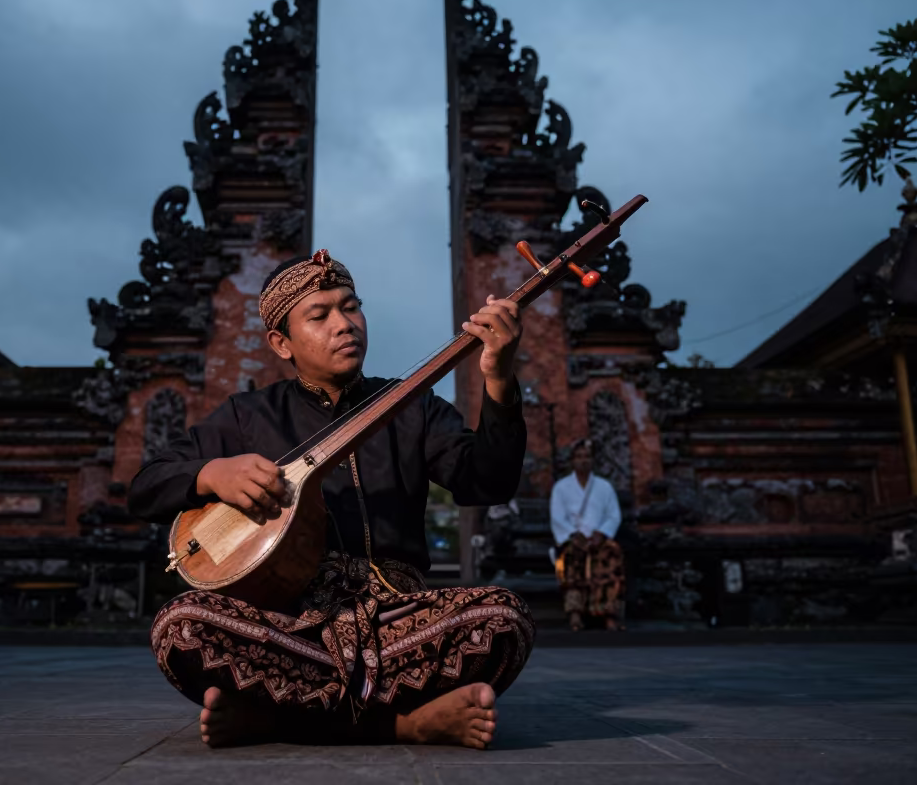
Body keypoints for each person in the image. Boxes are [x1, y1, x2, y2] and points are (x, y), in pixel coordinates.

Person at [129, 249, 535, 749]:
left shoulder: (415, 407)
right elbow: (146, 487)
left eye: (351, 306)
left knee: (502, 617)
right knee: (181, 625)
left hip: (398, 623)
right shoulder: (247, 416)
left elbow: (489, 483)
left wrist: (498, 378)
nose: (344, 324)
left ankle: (277, 720)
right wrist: (213, 473)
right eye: (319, 316)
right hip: (291, 626)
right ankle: (408, 722)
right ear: (282, 343)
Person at [548, 439, 625, 631]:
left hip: (599, 539)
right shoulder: (561, 488)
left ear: (593, 461)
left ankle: (608, 613)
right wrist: (573, 536)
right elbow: (557, 518)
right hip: (573, 539)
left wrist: (601, 533)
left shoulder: (604, 487)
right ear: (572, 461)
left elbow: (613, 515)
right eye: (579, 457)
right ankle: (575, 613)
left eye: (587, 457)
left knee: (611, 554)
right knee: (572, 559)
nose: (583, 461)